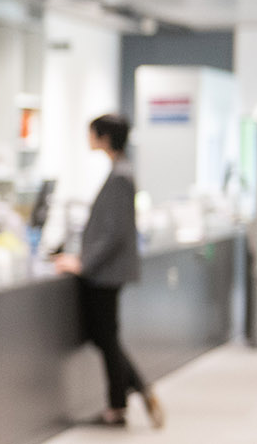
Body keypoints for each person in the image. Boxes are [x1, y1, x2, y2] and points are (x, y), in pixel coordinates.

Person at [53, 114, 164, 429]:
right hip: (105, 270)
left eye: (92, 134)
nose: (88, 139)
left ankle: (122, 402)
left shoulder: (119, 176)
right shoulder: (121, 172)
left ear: (104, 137)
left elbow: (113, 233)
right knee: (104, 336)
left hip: (104, 273)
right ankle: (132, 392)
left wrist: (83, 263)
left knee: (105, 337)